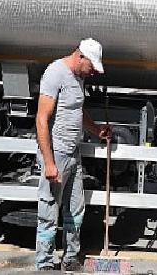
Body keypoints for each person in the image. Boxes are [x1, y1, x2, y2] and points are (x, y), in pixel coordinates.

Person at [35, 38, 111, 271]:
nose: (93, 73)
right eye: (92, 66)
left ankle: (70, 257)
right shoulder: (55, 73)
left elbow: (77, 110)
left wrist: (96, 129)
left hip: (73, 152)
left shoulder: (78, 78)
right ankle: (45, 262)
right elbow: (41, 120)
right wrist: (49, 163)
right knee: (49, 209)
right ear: (80, 57)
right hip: (56, 152)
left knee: (76, 208)